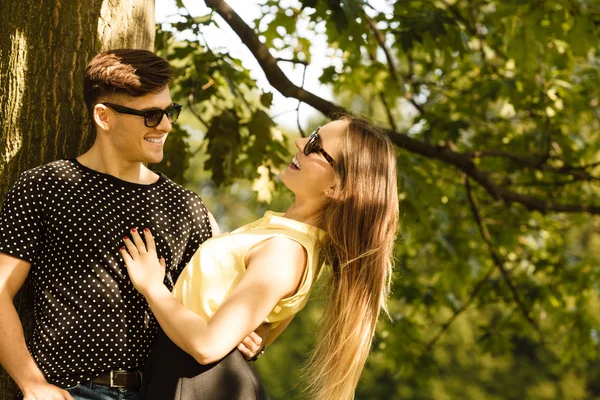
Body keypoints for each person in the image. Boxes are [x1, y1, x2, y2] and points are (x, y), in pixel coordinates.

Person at [0, 49, 264, 400]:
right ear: (103, 116)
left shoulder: (185, 207)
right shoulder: (46, 186)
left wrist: (238, 333)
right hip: (73, 392)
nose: (167, 125)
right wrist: (31, 383)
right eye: (151, 115)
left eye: (169, 112)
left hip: (168, 392)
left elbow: (208, 305)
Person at [120, 116, 400, 400]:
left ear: (336, 188)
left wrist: (151, 286)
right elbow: (259, 326)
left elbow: (206, 346)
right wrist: (254, 338)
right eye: (312, 134)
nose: (300, 142)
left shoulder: (286, 252)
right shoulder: (282, 235)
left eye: (316, 145)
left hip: (194, 384)